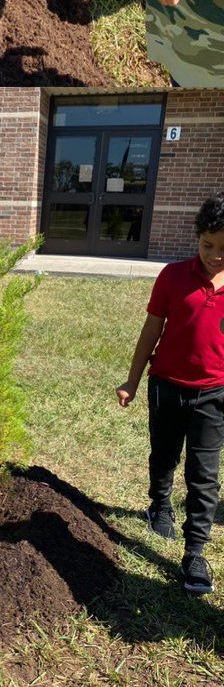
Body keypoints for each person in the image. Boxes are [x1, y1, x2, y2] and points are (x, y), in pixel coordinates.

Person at [117, 192, 224, 597]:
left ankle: (194, 551)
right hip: (166, 387)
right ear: (198, 237)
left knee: (204, 475)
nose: (214, 255)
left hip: (214, 395)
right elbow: (151, 331)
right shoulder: (173, 277)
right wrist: (132, 381)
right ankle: (159, 505)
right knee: (163, 455)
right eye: (207, 245)